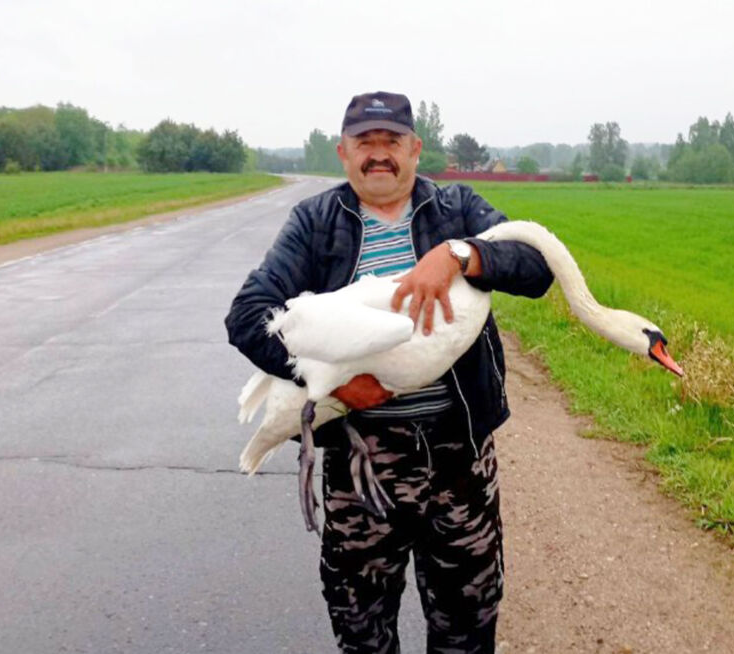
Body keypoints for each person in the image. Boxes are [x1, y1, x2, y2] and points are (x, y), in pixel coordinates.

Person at [225, 91, 553, 654]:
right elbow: (248, 315)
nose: (380, 155)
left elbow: (536, 266)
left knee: (467, 621)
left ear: (416, 149)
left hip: (459, 458)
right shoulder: (314, 222)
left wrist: (459, 255)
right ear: (344, 153)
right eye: (365, 143)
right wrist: (328, 384)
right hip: (362, 460)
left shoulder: (457, 208)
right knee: (362, 626)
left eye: (392, 142)